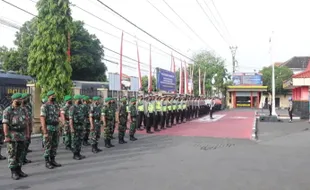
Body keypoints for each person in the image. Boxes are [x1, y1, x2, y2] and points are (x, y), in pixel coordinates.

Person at [2, 93, 30, 180]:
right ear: (14, 100)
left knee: (20, 153)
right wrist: (6, 136)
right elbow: (5, 124)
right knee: (12, 154)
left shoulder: (23, 109)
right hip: (12, 135)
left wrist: (28, 134)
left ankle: (19, 170)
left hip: (22, 134)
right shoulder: (8, 110)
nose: (21, 100)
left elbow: (26, 123)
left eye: (21, 99)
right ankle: (13, 172)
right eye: (19, 99)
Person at [40, 90, 62, 169]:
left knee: (55, 145)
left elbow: (57, 117)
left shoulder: (56, 105)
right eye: (52, 96)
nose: (54, 97)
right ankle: (47, 162)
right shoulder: (45, 106)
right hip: (48, 127)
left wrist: (59, 128)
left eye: (54, 95)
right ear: (49, 96)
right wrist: (44, 130)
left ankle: (53, 160)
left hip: (55, 127)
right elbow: (42, 118)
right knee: (48, 145)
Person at [69, 94, 86, 160]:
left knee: (79, 140)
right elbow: (71, 119)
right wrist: (72, 128)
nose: (81, 100)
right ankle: (75, 154)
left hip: (80, 127)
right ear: (77, 100)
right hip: (75, 127)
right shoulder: (72, 108)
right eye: (80, 99)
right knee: (75, 141)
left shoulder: (80, 107)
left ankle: (78, 153)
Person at [21, 93, 32, 165]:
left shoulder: (29, 105)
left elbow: (30, 116)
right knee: (22, 145)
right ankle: (21, 159)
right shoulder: (20, 107)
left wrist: (30, 126)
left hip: (28, 126)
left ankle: (24, 158)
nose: (27, 99)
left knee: (27, 142)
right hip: (21, 129)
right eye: (26, 98)